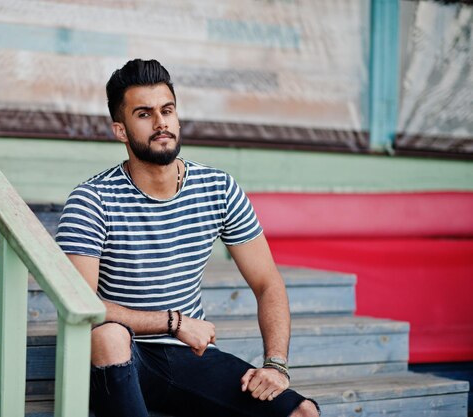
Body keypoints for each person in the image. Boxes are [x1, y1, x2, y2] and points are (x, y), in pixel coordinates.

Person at [56, 59, 320, 417]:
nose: (161, 122)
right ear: (121, 130)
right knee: (109, 335)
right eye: (144, 114)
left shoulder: (218, 188)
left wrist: (276, 364)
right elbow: (82, 307)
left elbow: (267, 282)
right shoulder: (92, 199)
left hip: (188, 358)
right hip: (118, 357)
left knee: (302, 412)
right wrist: (174, 322)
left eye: (167, 110)